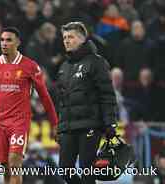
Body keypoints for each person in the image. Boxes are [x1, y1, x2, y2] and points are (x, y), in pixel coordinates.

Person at [0, 27, 58, 184]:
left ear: (18, 42)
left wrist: (55, 123)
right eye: (2, 40)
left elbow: (45, 96)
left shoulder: (30, 66)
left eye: (9, 40)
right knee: (6, 167)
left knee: (15, 162)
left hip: (19, 122)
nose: (4, 43)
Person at [55, 21, 117, 184]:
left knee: (87, 169)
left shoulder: (97, 62)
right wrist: (59, 127)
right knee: (64, 169)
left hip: (90, 125)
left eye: (71, 37)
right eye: (65, 37)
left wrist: (110, 123)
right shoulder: (63, 67)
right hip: (68, 127)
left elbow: (107, 94)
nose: (67, 40)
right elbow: (62, 101)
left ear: (82, 39)